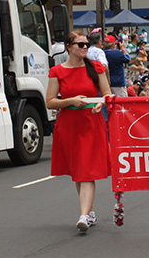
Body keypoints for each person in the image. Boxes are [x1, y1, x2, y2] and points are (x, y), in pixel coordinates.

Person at [46, 31, 112, 233]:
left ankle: (84, 215)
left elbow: (107, 94)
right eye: (80, 44)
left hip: (91, 122)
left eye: (86, 45)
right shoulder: (57, 71)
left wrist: (100, 104)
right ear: (69, 46)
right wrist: (71, 101)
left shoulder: (96, 67)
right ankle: (89, 212)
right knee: (78, 171)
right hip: (69, 124)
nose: (84, 48)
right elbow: (50, 102)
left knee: (86, 171)